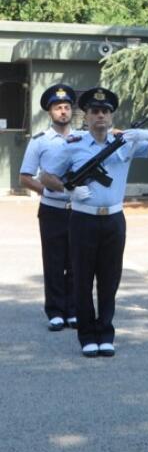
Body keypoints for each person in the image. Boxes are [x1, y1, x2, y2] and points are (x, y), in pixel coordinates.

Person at [40, 87, 148, 357]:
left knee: (110, 280)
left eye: (105, 112)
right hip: (83, 219)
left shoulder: (126, 142)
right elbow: (46, 176)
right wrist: (68, 189)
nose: (100, 116)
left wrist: (147, 134)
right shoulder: (73, 144)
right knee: (82, 279)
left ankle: (106, 332)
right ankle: (87, 335)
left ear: (111, 117)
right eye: (95, 111)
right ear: (86, 116)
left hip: (113, 219)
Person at [19, 84, 79, 332]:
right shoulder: (39, 141)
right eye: (58, 108)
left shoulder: (83, 138)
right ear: (50, 112)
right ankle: (55, 311)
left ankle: (73, 310)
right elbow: (25, 177)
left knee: (77, 261)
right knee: (54, 261)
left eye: (66, 107)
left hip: (79, 210)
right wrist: (47, 191)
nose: (63, 111)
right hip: (52, 210)